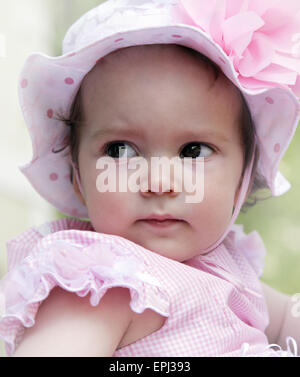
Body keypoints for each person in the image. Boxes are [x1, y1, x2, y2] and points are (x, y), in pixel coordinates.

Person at [0, 0, 300, 357]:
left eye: (193, 151)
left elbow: (284, 321)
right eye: (121, 150)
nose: (159, 182)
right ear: (77, 175)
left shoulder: (226, 267)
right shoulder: (103, 284)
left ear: (243, 177)